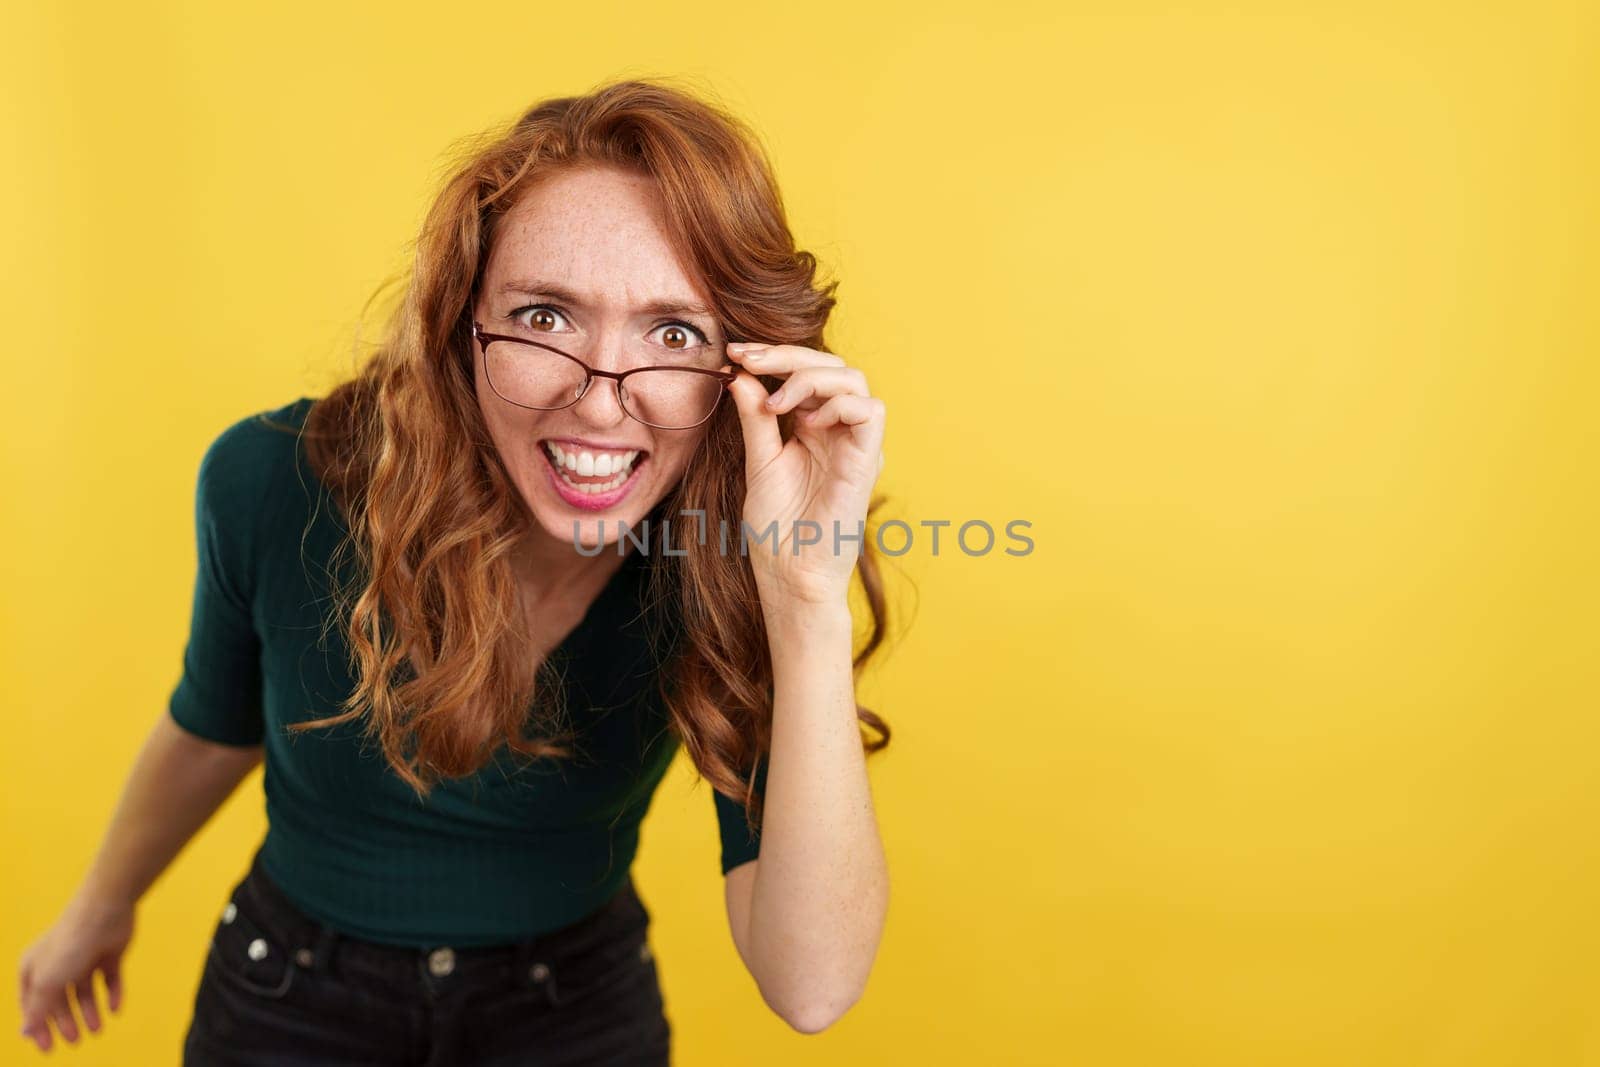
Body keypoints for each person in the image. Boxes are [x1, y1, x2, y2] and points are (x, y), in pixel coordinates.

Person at [18, 77, 893, 1064]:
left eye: (673, 331)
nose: (601, 404)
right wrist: (100, 903)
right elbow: (210, 726)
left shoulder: (727, 553)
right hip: (289, 997)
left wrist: (807, 595)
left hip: (571, 1010)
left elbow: (812, 984)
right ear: (459, 325)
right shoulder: (272, 479)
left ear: (742, 372)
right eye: (545, 316)